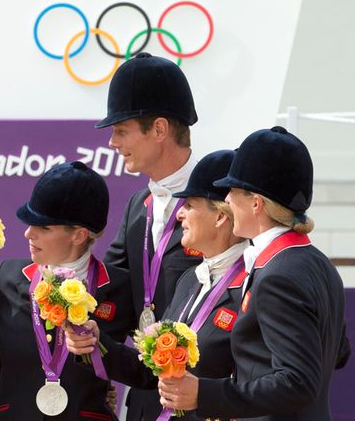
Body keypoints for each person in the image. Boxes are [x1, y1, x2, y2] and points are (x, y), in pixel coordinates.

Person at [158, 127, 351, 420]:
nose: (229, 201)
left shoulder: (278, 274)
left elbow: (298, 382)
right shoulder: (318, 265)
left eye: (233, 192)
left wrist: (205, 394)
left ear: (256, 203)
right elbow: (338, 354)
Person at [65, 150, 249, 421]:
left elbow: (262, 385)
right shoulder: (190, 280)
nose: (180, 214)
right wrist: (95, 342)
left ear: (221, 217)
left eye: (189, 205)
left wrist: (205, 395)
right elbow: (150, 372)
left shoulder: (253, 283)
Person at [0, 161, 134, 420]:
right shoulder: (7, 277)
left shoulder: (120, 287)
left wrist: (100, 349)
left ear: (79, 235)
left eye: (43, 227)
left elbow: (147, 371)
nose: (29, 233)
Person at [95, 52, 204, 419]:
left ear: (158, 130)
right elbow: (107, 292)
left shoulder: (224, 202)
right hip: (146, 400)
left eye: (121, 130)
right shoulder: (136, 207)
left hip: (207, 399)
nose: (112, 142)